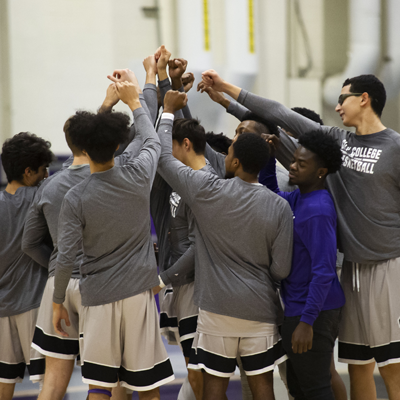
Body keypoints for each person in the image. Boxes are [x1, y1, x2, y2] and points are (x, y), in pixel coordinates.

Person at [201, 70, 400, 400]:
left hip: (386, 264)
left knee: (391, 364)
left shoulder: (394, 146)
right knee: (358, 364)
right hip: (351, 268)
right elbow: (279, 118)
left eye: (342, 99)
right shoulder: (336, 141)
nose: (337, 107)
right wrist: (225, 95)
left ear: (363, 99)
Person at [157, 89, 293, 400]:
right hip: (260, 310)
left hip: (216, 311)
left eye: (229, 149)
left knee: (214, 390)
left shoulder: (207, 191)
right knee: (263, 390)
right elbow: (282, 269)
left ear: (233, 160)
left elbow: (164, 159)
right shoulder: (279, 206)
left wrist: (167, 112)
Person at [52, 79, 174, 399]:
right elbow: (151, 139)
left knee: (99, 388)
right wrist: (135, 101)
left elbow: (65, 258)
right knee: (148, 387)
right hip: (138, 295)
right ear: (119, 146)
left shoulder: (75, 197)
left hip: (97, 298)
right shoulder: (138, 174)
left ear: (82, 150)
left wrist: (57, 300)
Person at [260, 130, 345, 399]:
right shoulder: (300, 198)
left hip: (314, 313)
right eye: (293, 160)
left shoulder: (317, 210)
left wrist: (307, 322)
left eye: (301, 163)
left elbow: (324, 272)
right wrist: (269, 160)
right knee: (300, 390)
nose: (293, 166)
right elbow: (271, 196)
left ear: (321, 172)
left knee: (316, 390)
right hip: (300, 308)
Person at [0, 132, 53, 400]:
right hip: (35, 306)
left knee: (3, 382)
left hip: (2, 308)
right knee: (50, 383)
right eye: (44, 170)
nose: (47, 176)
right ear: (29, 171)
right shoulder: (40, 197)